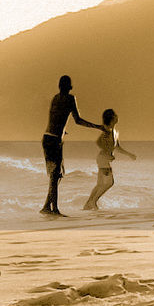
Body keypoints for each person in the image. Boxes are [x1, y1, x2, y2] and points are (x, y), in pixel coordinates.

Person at [40, 75, 97, 216]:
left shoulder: (55, 98)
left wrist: (62, 131)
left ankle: (47, 206)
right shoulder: (70, 99)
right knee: (56, 175)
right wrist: (97, 126)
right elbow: (77, 120)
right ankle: (54, 209)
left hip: (47, 138)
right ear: (69, 86)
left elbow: (54, 117)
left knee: (57, 175)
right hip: (55, 141)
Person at [83, 109, 137, 210]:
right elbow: (98, 142)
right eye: (115, 115)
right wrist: (107, 152)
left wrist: (129, 154)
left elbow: (118, 148)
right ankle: (93, 202)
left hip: (103, 159)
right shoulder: (107, 130)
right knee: (109, 183)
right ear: (112, 118)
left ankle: (88, 204)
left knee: (100, 184)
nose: (117, 117)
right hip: (103, 159)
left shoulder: (115, 132)